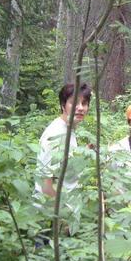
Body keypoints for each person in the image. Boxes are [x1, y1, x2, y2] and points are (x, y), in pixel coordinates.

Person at [34, 82, 91, 231]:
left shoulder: (68, 130)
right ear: (62, 105)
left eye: (84, 103)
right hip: (51, 221)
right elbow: (46, 184)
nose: (80, 108)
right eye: (74, 102)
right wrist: (62, 217)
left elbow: (64, 167)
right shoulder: (55, 134)